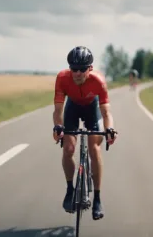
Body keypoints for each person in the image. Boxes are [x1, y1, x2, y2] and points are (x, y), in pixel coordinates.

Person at [52, 46, 118, 221]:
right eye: (74, 68)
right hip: (72, 108)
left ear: (90, 68)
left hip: (92, 108)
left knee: (94, 149)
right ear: (69, 68)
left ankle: (97, 198)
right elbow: (58, 110)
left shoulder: (98, 81)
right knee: (68, 149)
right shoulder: (62, 78)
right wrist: (58, 126)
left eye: (82, 69)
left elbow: (106, 113)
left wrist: (110, 129)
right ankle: (69, 190)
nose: (78, 73)